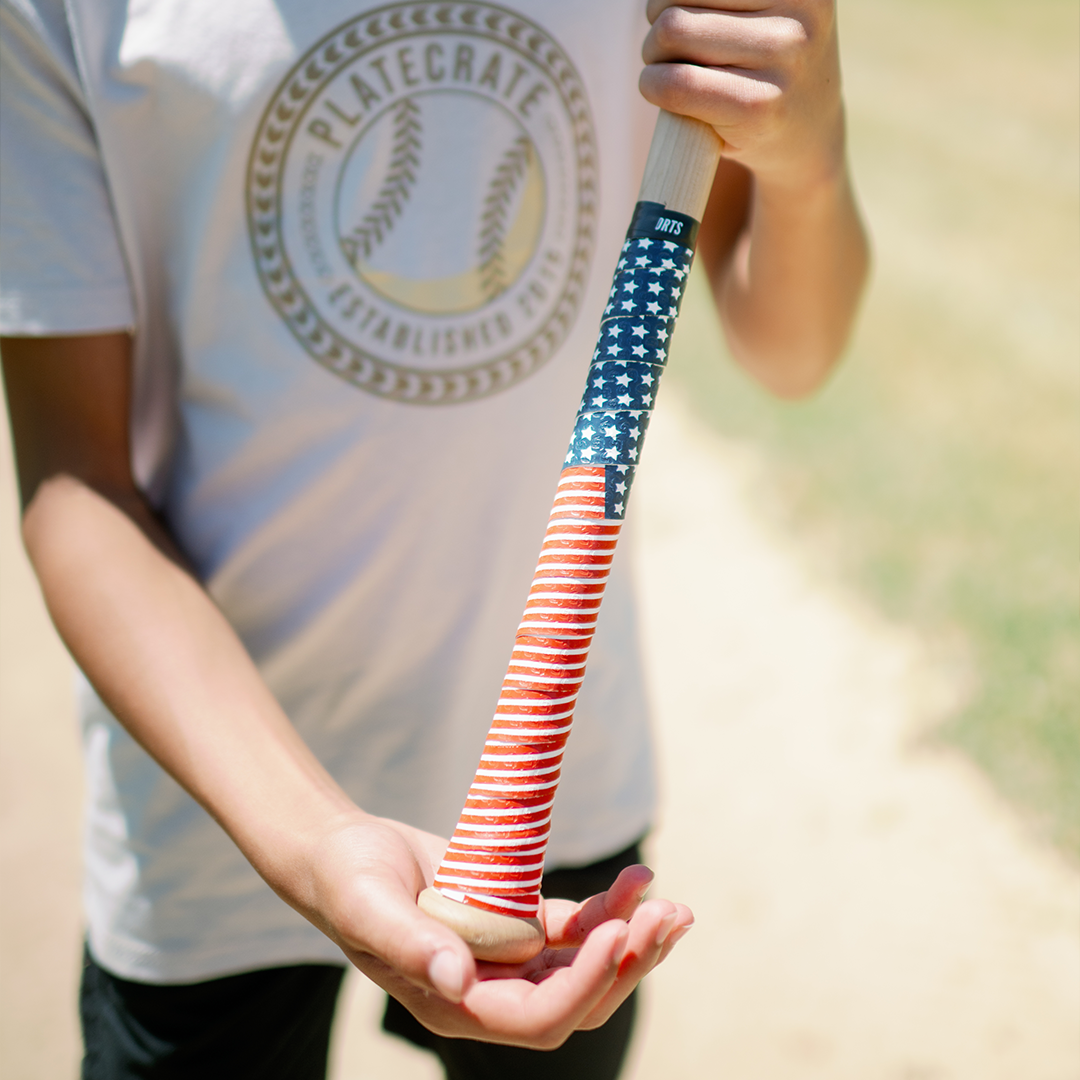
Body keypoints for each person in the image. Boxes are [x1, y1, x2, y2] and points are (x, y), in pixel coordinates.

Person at [0, 0, 868, 1076]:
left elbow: (793, 352)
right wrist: (312, 838)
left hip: (548, 793)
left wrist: (810, 154)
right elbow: (75, 483)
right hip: (210, 808)